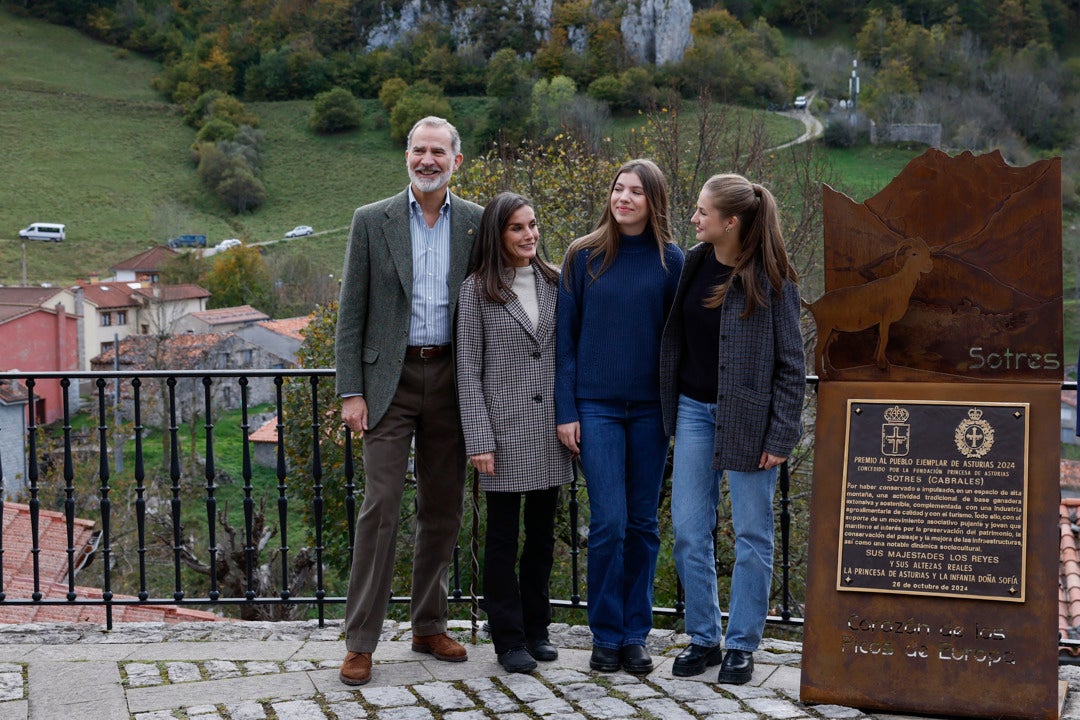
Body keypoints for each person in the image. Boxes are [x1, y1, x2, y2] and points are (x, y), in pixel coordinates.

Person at [335, 116, 484, 686]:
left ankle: (429, 625)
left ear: (456, 161)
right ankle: (360, 642)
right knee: (380, 507)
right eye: (419, 150)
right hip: (387, 385)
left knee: (443, 508)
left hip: (451, 378)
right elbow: (351, 312)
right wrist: (351, 391)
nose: (428, 160)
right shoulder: (371, 220)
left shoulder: (475, 223)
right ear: (406, 156)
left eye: (438, 151)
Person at [659, 173, 805, 684]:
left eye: (703, 212)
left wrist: (781, 436)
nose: (694, 218)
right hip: (693, 413)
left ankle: (742, 644)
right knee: (687, 531)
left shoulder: (775, 279)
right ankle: (704, 637)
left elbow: (792, 366)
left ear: (731, 222)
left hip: (750, 422)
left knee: (752, 535)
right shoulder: (693, 263)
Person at [555, 158, 684, 675]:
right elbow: (565, 343)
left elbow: (678, 343)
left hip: (652, 411)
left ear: (654, 201)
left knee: (643, 523)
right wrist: (566, 410)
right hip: (596, 408)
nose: (623, 198)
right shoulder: (582, 256)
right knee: (609, 522)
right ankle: (605, 634)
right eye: (618, 189)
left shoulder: (672, 261)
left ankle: (635, 634)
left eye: (635, 191)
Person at [455, 192, 575, 674]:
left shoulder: (556, 282)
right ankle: (507, 639)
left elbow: (567, 355)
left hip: (550, 431)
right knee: (503, 539)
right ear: (498, 234)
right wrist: (479, 438)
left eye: (533, 225)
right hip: (502, 435)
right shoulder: (476, 290)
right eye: (517, 228)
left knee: (542, 538)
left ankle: (536, 628)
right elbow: (468, 369)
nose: (530, 235)